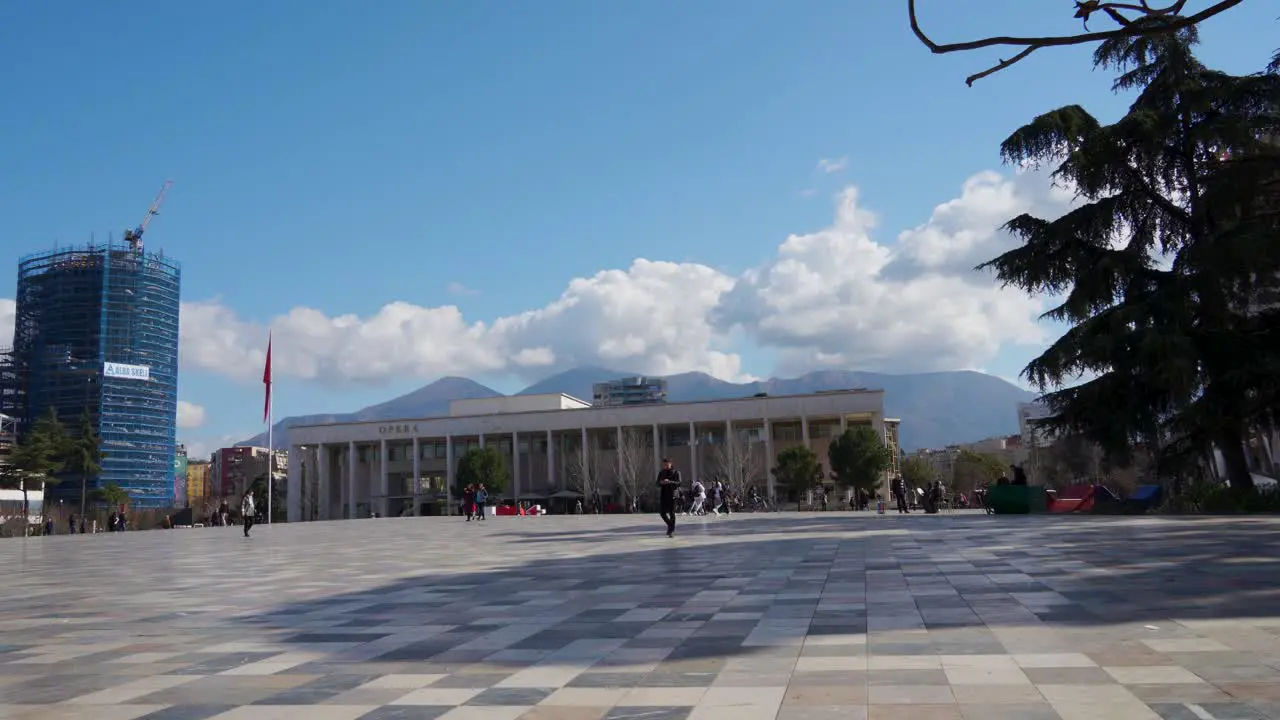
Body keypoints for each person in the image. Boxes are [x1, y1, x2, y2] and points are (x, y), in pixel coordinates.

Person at [655, 458, 681, 537]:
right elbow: (657, 484)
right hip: (664, 495)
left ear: (671, 464)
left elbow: (679, 483)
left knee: (671, 513)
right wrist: (661, 482)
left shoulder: (676, 472)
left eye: (667, 464)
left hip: (673, 495)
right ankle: (670, 526)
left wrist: (670, 482)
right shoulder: (661, 472)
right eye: (664, 464)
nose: (665, 466)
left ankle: (671, 531)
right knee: (662, 513)